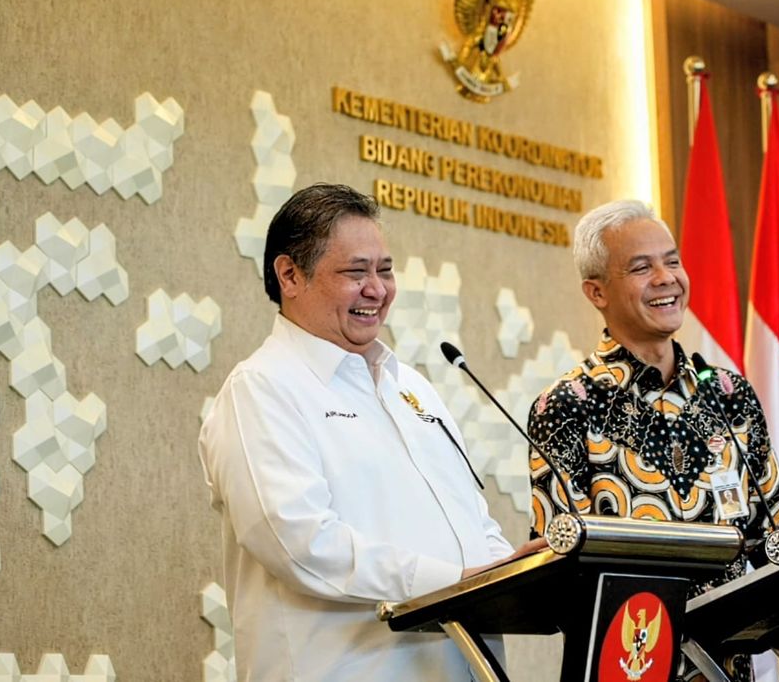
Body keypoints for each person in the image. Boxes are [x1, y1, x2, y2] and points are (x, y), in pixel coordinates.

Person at [199, 183, 541, 681]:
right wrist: (452, 583)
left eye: (385, 270)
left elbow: (471, 519)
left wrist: (514, 574)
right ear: (290, 275)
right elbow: (300, 543)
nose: (377, 289)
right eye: (355, 272)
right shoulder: (261, 389)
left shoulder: (413, 387)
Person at [527, 200, 779, 682]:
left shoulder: (729, 395)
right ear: (596, 292)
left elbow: (778, 537)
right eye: (641, 267)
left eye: (671, 260)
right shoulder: (567, 405)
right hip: (627, 665)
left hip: (726, 669)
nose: (665, 277)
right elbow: (559, 563)